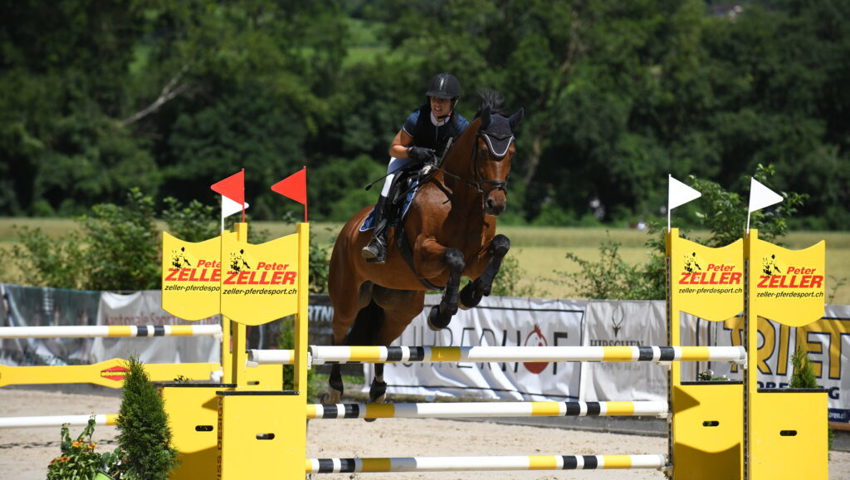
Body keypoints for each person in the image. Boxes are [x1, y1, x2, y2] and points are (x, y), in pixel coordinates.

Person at [361, 73, 470, 263]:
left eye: (442, 101)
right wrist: (413, 152)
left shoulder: (460, 126)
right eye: (434, 99)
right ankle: (378, 240)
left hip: (440, 166)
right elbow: (394, 149)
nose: (437, 104)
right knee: (390, 182)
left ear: (454, 102)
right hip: (408, 159)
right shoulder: (417, 118)